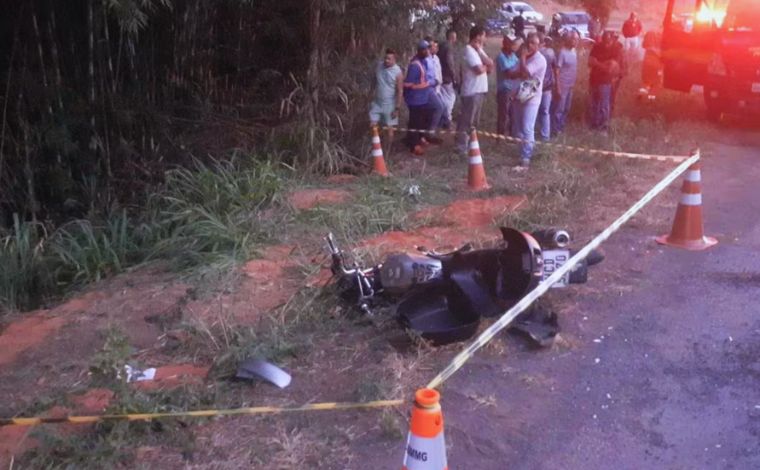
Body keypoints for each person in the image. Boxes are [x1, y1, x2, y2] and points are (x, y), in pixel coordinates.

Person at [456, 25, 493, 154]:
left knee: (474, 122)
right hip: (471, 91)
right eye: (484, 35)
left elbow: (490, 64)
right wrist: (485, 66)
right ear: (478, 36)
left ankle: (471, 145)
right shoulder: (468, 51)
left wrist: (484, 62)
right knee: (467, 120)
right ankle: (461, 147)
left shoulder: (479, 50)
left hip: (480, 90)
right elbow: (479, 70)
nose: (485, 38)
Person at [513, 32, 547, 168]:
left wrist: (522, 57)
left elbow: (526, 72)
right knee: (519, 127)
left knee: (528, 127)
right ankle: (522, 152)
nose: (531, 45)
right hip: (520, 94)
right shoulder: (526, 57)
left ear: (539, 45)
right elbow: (515, 72)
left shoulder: (539, 59)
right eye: (529, 42)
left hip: (532, 96)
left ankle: (526, 157)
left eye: (534, 43)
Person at [369, 48, 403, 153]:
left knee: (389, 129)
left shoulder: (398, 72)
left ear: (394, 60)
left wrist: (397, 108)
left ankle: (388, 151)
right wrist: (370, 93)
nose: (386, 61)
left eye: (389, 59)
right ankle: (375, 149)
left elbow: (400, 90)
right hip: (377, 102)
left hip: (390, 104)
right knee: (373, 125)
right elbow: (374, 80)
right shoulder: (379, 66)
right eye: (385, 58)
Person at [403, 40, 432, 154]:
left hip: (422, 99)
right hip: (415, 100)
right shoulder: (415, 65)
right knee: (414, 122)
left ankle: (419, 139)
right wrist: (423, 85)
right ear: (420, 51)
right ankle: (413, 145)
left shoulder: (422, 62)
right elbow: (407, 84)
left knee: (420, 121)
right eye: (425, 49)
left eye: (428, 49)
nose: (427, 51)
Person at [588, 31, 620, 131]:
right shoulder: (597, 47)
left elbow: (610, 69)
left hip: (606, 82)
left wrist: (597, 63)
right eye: (605, 40)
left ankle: (604, 127)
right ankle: (594, 125)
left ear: (611, 39)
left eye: (608, 40)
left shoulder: (615, 50)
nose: (606, 42)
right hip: (594, 80)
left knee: (604, 105)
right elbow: (590, 62)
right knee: (594, 104)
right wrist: (604, 64)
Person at [552, 31, 579, 134]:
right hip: (562, 84)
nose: (575, 41)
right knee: (559, 108)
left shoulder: (574, 51)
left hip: (571, 85)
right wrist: (558, 87)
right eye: (573, 39)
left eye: (577, 39)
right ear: (568, 40)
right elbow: (557, 70)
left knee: (567, 108)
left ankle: (561, 126)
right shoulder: (562, 52)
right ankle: (556, 129)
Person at [496, 35, 523, 136]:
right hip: (504, 90)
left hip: (513, 89)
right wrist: (520, 72)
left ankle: (512, 135)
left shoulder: (513, 56)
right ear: (505, 44)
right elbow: (509, 74)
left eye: (515, 43)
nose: (515, 46)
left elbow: (517, 69)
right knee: (503, 115)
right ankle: (500, 136)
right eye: (512, 43)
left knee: (513, 114)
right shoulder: (501, 57)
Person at [424, 38, 447, 141]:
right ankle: (430, 133)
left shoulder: (436, 58)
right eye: (433, 45)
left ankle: (434, 130)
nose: (436, 47)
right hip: (429, 90)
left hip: (437, 89)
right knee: (439, 107)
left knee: (443, 108)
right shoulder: (425, 60)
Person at [537, 34, 557, 142]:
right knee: (544, 111)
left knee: (542, 111)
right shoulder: (550, 52)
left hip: (542, 86)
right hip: (543, 86)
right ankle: (544, 136)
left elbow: (554, 68)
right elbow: (555, 69)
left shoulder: (547, 53)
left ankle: (544, 136)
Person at [438, 29, 458, 126]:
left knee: (442, 98)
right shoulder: (449, 47)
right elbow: (449, 62)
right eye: (455, 37)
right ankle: (447, 119)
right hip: (447, 77)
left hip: (439, 76)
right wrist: (454, 76)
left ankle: (442, 119)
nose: (456, 40)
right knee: (451, 98)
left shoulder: (441, 46)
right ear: (452, 37)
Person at [640, 30, 663, 101]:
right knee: (657, 81)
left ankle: (641, 93)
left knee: (646, 79)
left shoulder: (650, 33)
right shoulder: (666, 38)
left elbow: (643, 45)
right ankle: (651, 98)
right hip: (657, 65)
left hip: (647, 63)